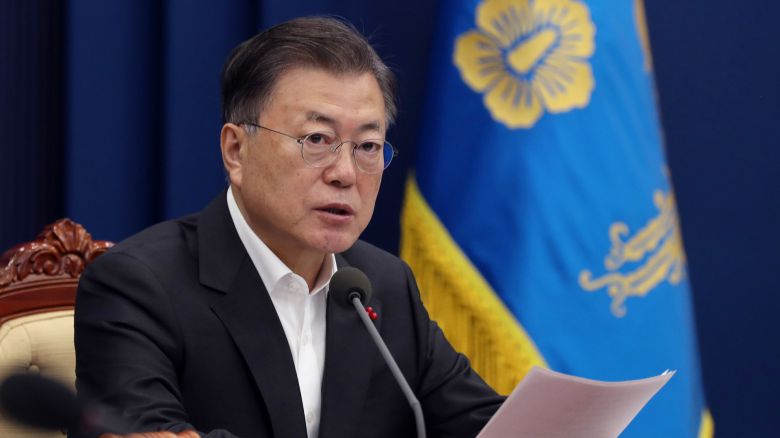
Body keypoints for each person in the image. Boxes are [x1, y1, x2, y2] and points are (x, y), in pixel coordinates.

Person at [73, 16, 504, 438]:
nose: (345, 173)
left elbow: (491, 425)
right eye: (316, 140)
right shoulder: (137, 285)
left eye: (368, 146)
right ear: (236, 150)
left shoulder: (383, 286)